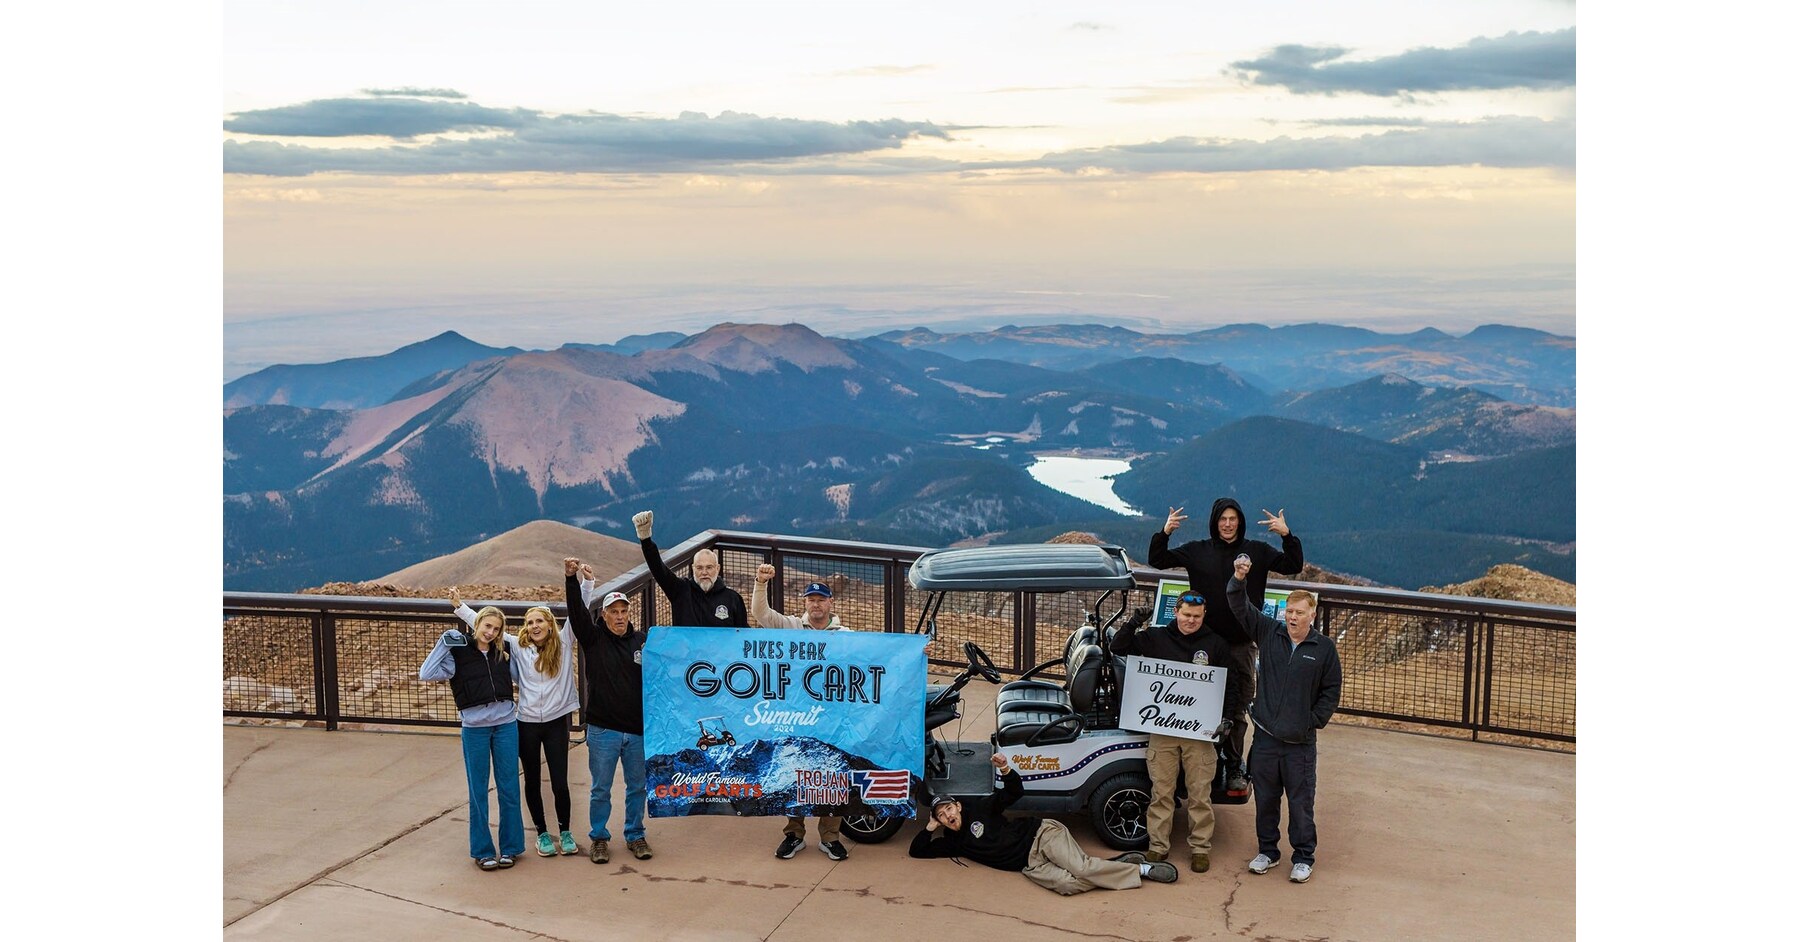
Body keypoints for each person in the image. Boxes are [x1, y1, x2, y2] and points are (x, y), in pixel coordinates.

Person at [1148, 498, 1303, 793]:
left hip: (1241, 646)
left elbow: (1293, 565)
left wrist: (1286, 535)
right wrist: (1165, 531)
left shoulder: (1256, 551)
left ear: (1240, 521)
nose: (1228, 524)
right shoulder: (1197, 551)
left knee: (1237, 709)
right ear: (1215, 521)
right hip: (1202, 647)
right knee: (1196, 704)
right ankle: (1198, 763)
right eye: (1223, 519)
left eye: (1233, 519)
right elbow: (1157, 559)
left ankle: (1233, 765)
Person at [909, 753, 1180, 894]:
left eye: (948, 809)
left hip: (1041, 836)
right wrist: (930, 826)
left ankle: (1142, 870)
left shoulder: (981, 806)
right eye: (942, 816)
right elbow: (917, 851)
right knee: (1067, 885)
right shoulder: (953, 843)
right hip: (1030, 865)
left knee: (1080, 868)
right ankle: (1117, 866)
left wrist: (1005, 768)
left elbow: (1014, 793)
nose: (948, 816)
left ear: (957, 805)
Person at [1109, 591, 1243, 874]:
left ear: (1203, 615)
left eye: (1196, 616)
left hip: (1201, 732)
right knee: (1161, 792)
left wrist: (1227, 718)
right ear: (1176, 612)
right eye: (1186, 615)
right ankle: (1158, 846)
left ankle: (1200, 849)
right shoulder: (1155, 638)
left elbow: (1230, 686)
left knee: (1199, 794)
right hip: (1164, 730)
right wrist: (1133, 622)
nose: (1191, 620)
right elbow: (1119, 648)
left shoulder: (1216, 645)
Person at [1228, 556, 1342, 884]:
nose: (1293, 617)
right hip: (1265, 740)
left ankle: (1303, 856)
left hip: (1300, 745)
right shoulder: (1269, 632)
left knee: (1301, 803)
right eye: (1289, 612)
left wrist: (1313, 720)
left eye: (1299, 612)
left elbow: (1331, 689)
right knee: (1265, 800)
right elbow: (1239, 605)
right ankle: (1268, 852)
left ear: (1312, 614)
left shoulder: (1323, 649)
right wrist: (1238, 578)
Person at [452, 589, 581, 858]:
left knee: (560, 781)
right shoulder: (518, 646)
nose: (534, 626)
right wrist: (460, 607)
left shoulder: (564, 642)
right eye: (530, 622)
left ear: (550, 624)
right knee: (531, 780)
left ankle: (565, 831)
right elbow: (486, 626)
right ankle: (542, 833)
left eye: (540, 621)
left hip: (557, 722)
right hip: (526, 723)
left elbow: (578, 611)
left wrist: (585, 583)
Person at [418, 602, 525, 871]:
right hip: (474, 729)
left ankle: (511, 848)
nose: (490, 632)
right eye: (487, 626)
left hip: (506, 726)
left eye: (496, 629)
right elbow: (426, 672)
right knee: (478, 790)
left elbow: (520, 679)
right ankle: (483, 851)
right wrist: (444, 643)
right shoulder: (458, 655)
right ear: (476, 625)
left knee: (509, 787)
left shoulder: (503, 653)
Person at [752, 564, 849, 861]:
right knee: (792, 772)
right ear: (805, 603)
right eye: (811, 600)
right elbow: (761, 614)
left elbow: (878, 656)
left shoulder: (846, 634)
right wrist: (760, 583)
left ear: (831, 603)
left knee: (832, 774)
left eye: (821, 600)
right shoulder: (792, 627)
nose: (816, 604)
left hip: (832, 714)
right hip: (796, 714)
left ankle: (830, 836)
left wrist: (914, 652)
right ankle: (794, 834)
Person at [563, 557, 654, 864]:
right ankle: (599, 837)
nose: (619, 616)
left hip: (637, 729)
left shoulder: (642, 641)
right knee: (600, 788)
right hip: (603, 730)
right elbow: (576, 614)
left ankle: (635, 835)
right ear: (603, 615)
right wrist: (571, 579)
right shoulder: (594, 639)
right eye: (613, 612)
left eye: (624, 611)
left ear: (630, 613)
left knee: (637, 787)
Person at [632, 510, 748, 627]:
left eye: (709, 567)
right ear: (693, 569)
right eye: (699, 568)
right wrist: (645, 539)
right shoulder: (681, 591)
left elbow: (744, 635)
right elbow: (659, 569)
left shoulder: (733, 598)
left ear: (717, 569)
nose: (704, 572)